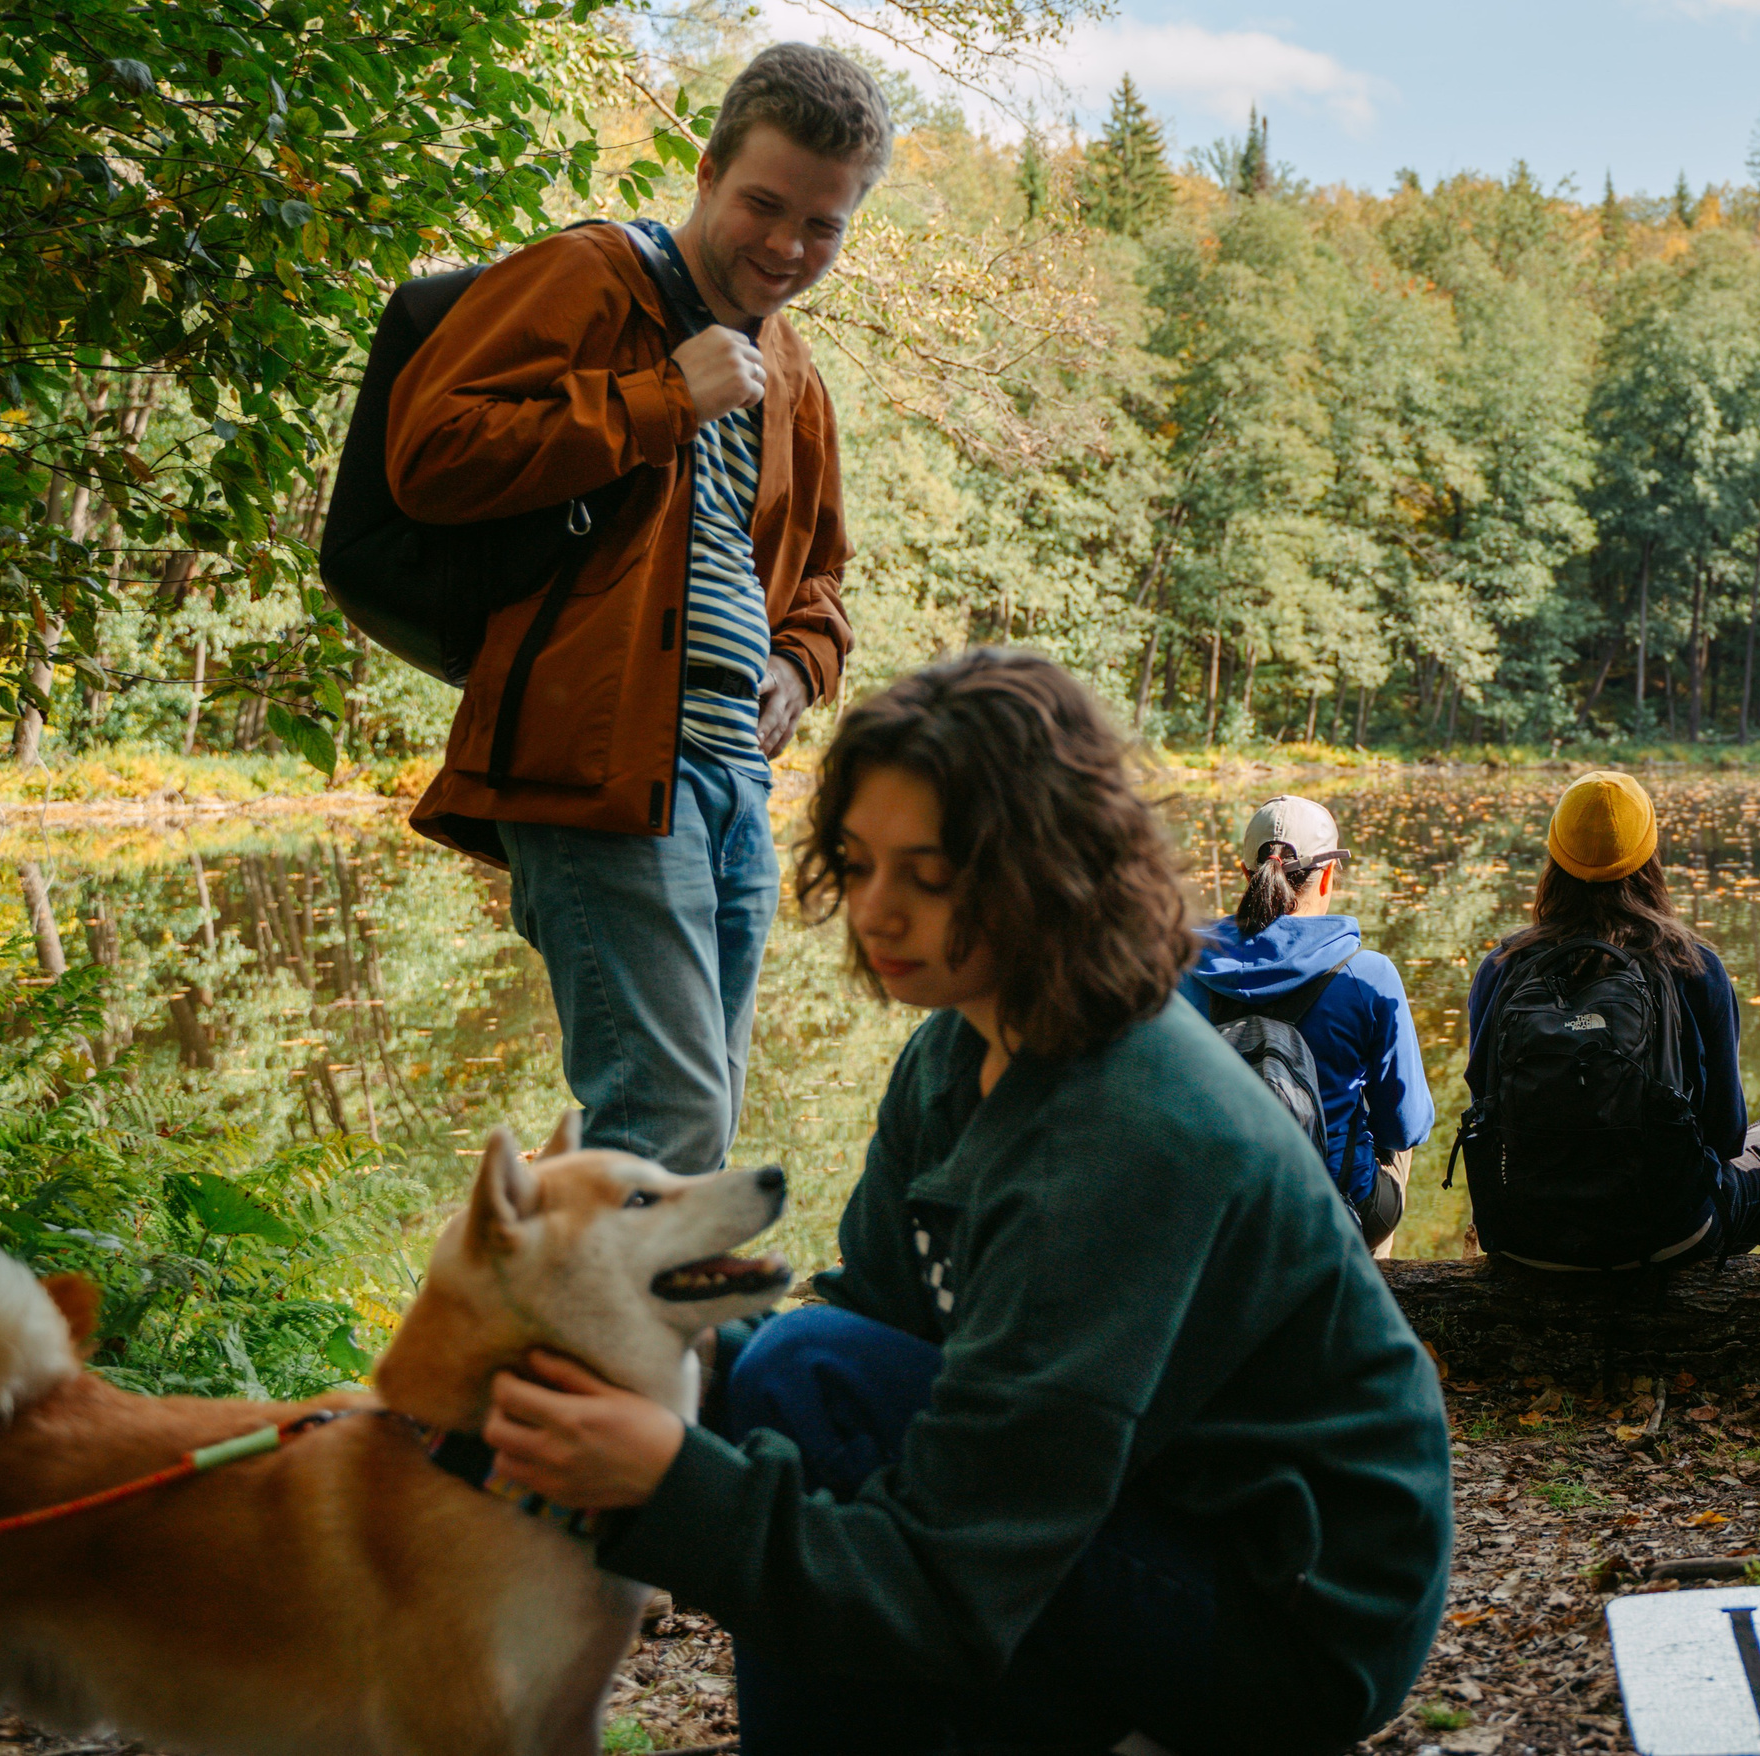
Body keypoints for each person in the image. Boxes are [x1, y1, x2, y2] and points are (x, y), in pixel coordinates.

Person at [477, 650, 1455, 1756]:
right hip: (1143, 1480)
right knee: (777, 1367)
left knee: (797, 1383)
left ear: (1045, 867)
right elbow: (876, 1322)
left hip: (1292, 1600)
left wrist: (665, 1490)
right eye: (857, 864)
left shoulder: (1128, 1127)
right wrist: (651, 1355)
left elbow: (956, 1581)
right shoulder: (957, 1050)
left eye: (928, 874)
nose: (875, 911)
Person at [384, 45, 890, 1176]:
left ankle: (565, 1287)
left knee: (697, 1126)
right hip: (598, 764)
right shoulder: (593, 277)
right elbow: (431, 449)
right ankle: (558, 1296)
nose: (786, 245)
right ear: (706, 172)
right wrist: (664, 396)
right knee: (670, 1122)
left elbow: (819, 582)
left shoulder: (793, 372)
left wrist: (799, 668)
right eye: (764, 204)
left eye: (822, 225)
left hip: (733, 774)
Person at [1461, 770, 1760, 1268]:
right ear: (1650, 856)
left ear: (1555, 856)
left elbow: (1485, 1106)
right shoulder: (1693, 965)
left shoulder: (1503, 967)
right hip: (1666, 1235)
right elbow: (1726, 1134)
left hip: (1526, 1239)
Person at [1180, 795, 1433, 1255]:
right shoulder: (1367, 976)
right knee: (1393, 1127)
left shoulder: (1180, 973)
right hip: (1330, 1222)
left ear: (1245, 875)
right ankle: (1369, 1274)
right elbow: (1407, 1127)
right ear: (1329, 875)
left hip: (1215, 1217)